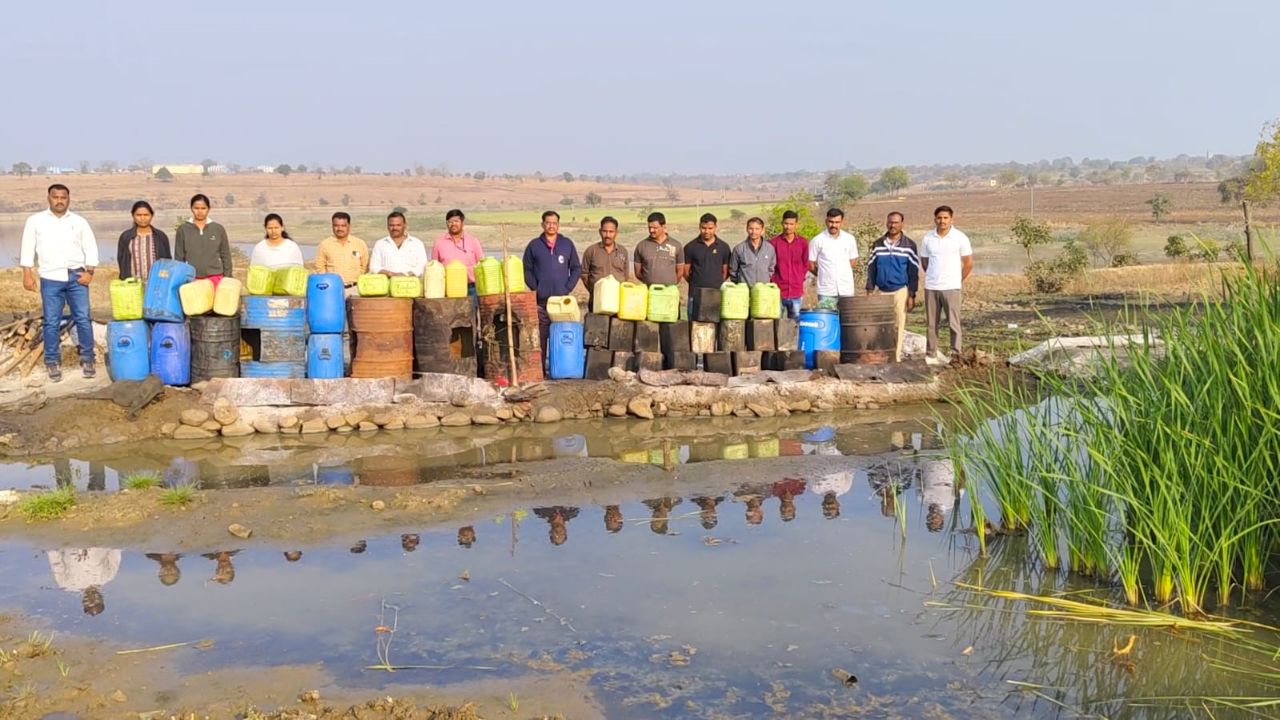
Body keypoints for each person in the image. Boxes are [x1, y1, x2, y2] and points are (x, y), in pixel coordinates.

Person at [20, 184, 98, 382]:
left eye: (63, 197)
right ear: (49, 198)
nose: (59, 200)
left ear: (69, 199)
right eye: (56, 197)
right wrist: (27, 274)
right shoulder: (35, 221)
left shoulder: (79, 222)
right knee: (52, 321)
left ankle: (88, 358)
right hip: (50, 277)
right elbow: (28, 248)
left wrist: (89, 272)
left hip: (76, 276)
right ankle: (52, 361)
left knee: (83, 318)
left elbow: (91, 247)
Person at [918, 205, 973, 365]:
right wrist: (935, 276)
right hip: (932, 287)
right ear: (935, 219)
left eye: (945, 218)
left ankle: (956, 355)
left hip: (952, 288)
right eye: (939, 218)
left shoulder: (960, 237)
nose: (942, 221)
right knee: (931, 323)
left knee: (953, 323)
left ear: (951, 219)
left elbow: (968, 263)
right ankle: (931, 354)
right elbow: (925, 261)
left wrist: (957, 280)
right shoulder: (928, 238)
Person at [522, 210, 581, 355]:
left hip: (562, 302)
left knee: (561, 337)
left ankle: (559, 369)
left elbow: (576, 268)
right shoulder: (534, 245)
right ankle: (541, 370)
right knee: (541, 336)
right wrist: (536, 288)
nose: (551, 226)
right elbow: (526, 269)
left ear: (558, 225)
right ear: (542, 224)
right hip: (541, 302)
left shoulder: (567, 244)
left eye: (554, 223)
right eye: (548, 223)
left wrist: (567, 288)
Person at [864, 211, 920, 362]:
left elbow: (913, 272)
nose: (892, 225)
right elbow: (871, 269)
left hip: (900, 291)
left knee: (898, 325)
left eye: (896, 222)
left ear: (902, 224)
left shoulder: (909, 246)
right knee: (879, 326)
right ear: (886, 223)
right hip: (881, 291)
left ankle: (895, 358)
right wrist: (869, 289)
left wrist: (912, 295)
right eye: (890, 222)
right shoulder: (878, 244)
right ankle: (881, 356)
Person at [174, 193, 232, 285]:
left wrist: (227, 278)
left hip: (215, 277)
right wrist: (180, 279)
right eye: (196, 208)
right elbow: (179, 258)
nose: (200, 211)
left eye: (203, 208)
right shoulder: (183, 229)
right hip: (191, 278)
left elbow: (226, 256)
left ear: (208, 209)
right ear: (191, 209)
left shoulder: (218, 229)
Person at [47, 547, 120, 616]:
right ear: (102, 599)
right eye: (95, 602)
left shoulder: (65, 583)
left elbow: (55, 560)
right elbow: (116, 549)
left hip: (71, 540)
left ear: (83, 603)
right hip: (97, 539)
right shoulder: (108, 575)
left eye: (88, 603)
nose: (91, 600)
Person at [807, 208, 858, 304]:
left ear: (842, 222)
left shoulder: (850, 239)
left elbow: (853, 261)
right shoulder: (817, 240)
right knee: (828, 318)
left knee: (846, 318)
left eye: (837, 222)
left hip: (846, 290)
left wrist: (841, 271)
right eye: (831, 222)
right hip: (826, 291)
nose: (834, 225)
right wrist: (823, 273)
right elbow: (810, 264)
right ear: (826, 221)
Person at [580, 216, 629, 309]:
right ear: (600, 231)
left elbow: (625, 276)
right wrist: (594, 290)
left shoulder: (623, 251)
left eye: (611, 232)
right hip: (597, 301)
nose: (607, 235)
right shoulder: (591, 251)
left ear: (616, 233)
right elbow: (584, 274)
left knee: (617, 324)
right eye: (604, 231)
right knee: (597, 323)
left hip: (618, 300)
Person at [431, 209, 485, 291]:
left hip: (471, 288)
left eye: (456, 221)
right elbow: (434, 268)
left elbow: (481, 265)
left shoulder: (473, 241)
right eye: (450, 222)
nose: (453, 224)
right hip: (448, 289)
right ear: (447, 224)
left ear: (462, 223)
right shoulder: (439, 243)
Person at [313, 211, 369, 290]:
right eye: (336, 226)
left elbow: (365, 266)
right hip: (332, 289)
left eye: (343, 226)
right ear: (332, 226)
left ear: (349, 226)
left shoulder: (359, 244)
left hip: (355, 289)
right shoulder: (324, 245)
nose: (339, 229)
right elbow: (319, 268)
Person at [116, 200, 171, 281]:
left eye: (146, 215)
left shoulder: (160, 236)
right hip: (132, 283)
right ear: (133, 216)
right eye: (138, 215)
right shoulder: (126, 237)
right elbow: (121, 260)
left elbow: (167, 260)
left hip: (156, 282)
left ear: (152, 215)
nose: (142, 218)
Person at [770, 210, 809, 319]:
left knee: (796, 324)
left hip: (796, 291)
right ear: (782, 223)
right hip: (778, 292)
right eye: (786, 223)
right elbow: (770, 266)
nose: (788, 227)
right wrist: (774, 281)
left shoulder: (803, 243)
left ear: (796, 224)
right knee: (776, 322)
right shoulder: (773, 243)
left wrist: (799, 278)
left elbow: (805, 264)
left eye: (791, 224)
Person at [369, 211, 428, 277]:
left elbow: (422, 266)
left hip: (410, 284)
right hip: (387, 284)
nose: (395, 228)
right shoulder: (380, 244)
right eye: (392, 225)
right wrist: (390, 274)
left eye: (398, 225)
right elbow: (373, 268)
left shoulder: (417, 244)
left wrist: (406, 274)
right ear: (387, 226)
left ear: (405, 225)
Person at [633, 211, 684, 286]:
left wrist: (671, 285)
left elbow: (680, 272)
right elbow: (638, 273)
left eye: (655, 228)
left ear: (663, 226)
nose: (651, 230)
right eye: (649, 227)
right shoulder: (641, 246)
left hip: (669, 292)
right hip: (649, 291)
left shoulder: (676, 245)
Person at [729, 216, 776, 287]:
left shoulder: (769, 248)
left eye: (757, 229)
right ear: (747, 229)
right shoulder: (739, 249)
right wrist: (740, 283)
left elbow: (771, 268)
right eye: (751, 228)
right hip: (744, 291)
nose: (753, 232)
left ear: (762, 230)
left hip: (763, 290)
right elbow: (733, 271)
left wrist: (765, 280)